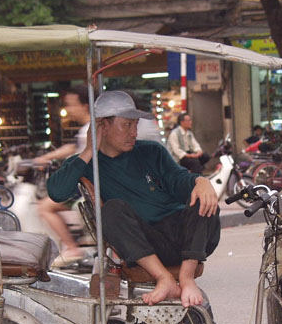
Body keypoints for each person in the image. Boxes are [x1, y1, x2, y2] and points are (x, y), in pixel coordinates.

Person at [47, 90, 220, 308]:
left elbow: (178, 180)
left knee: (205, 200)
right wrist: (89, 150)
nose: (134, 132)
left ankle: (186, 278)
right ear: (103, 126)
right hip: (141, 244)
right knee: (111, 209)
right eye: (127, 125)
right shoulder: (88, 163)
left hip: (181, 237)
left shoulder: (151, 151)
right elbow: (56, 192)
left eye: (135, 125)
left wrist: (200, 182)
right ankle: (164, 278)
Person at [33, 86, 91, 267]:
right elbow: (73, 148)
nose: (69, 110)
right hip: (85, 184)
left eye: (72, 105)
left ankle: (71, 247)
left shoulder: (90, 130)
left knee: (45, 207)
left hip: (85, 186)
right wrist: (46, 157)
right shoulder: (87, 130)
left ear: (85, 106)